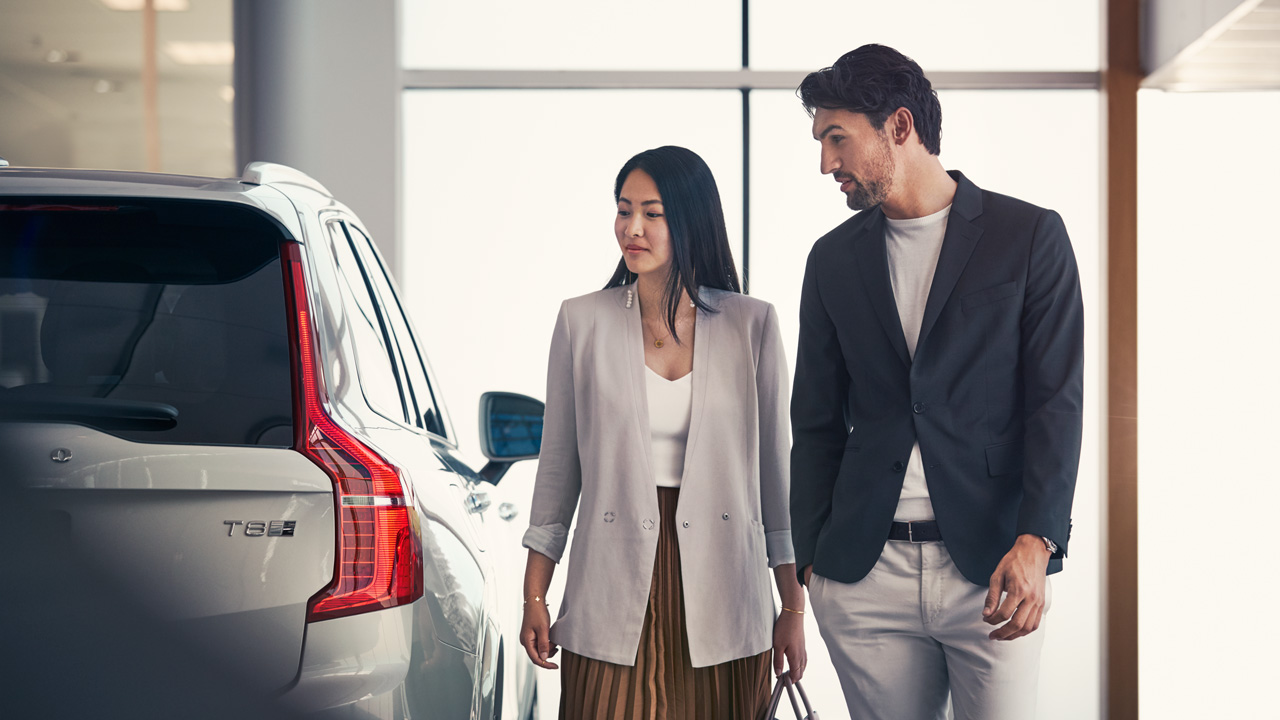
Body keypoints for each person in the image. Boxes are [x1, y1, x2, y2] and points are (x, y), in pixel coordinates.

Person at [789, 45, 1084, 720]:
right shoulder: (832, 260)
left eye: (838, 139)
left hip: (990, 570)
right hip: (864, 572)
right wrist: (814, 561)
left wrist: (1038, 542)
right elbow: (815, 422)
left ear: (899, 126)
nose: (826, 162)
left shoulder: (1029, 237)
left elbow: (1055, 406)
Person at [520, 145, 806, 720]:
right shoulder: (582, 321)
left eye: (652, 213)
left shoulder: (753, 325)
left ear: (690, 219)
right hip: (611, 577)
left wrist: (792, 608)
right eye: (624, 210)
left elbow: (778, 482)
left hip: (726, 585)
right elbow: (556, 474)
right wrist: (535, 596)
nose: (632, 228)